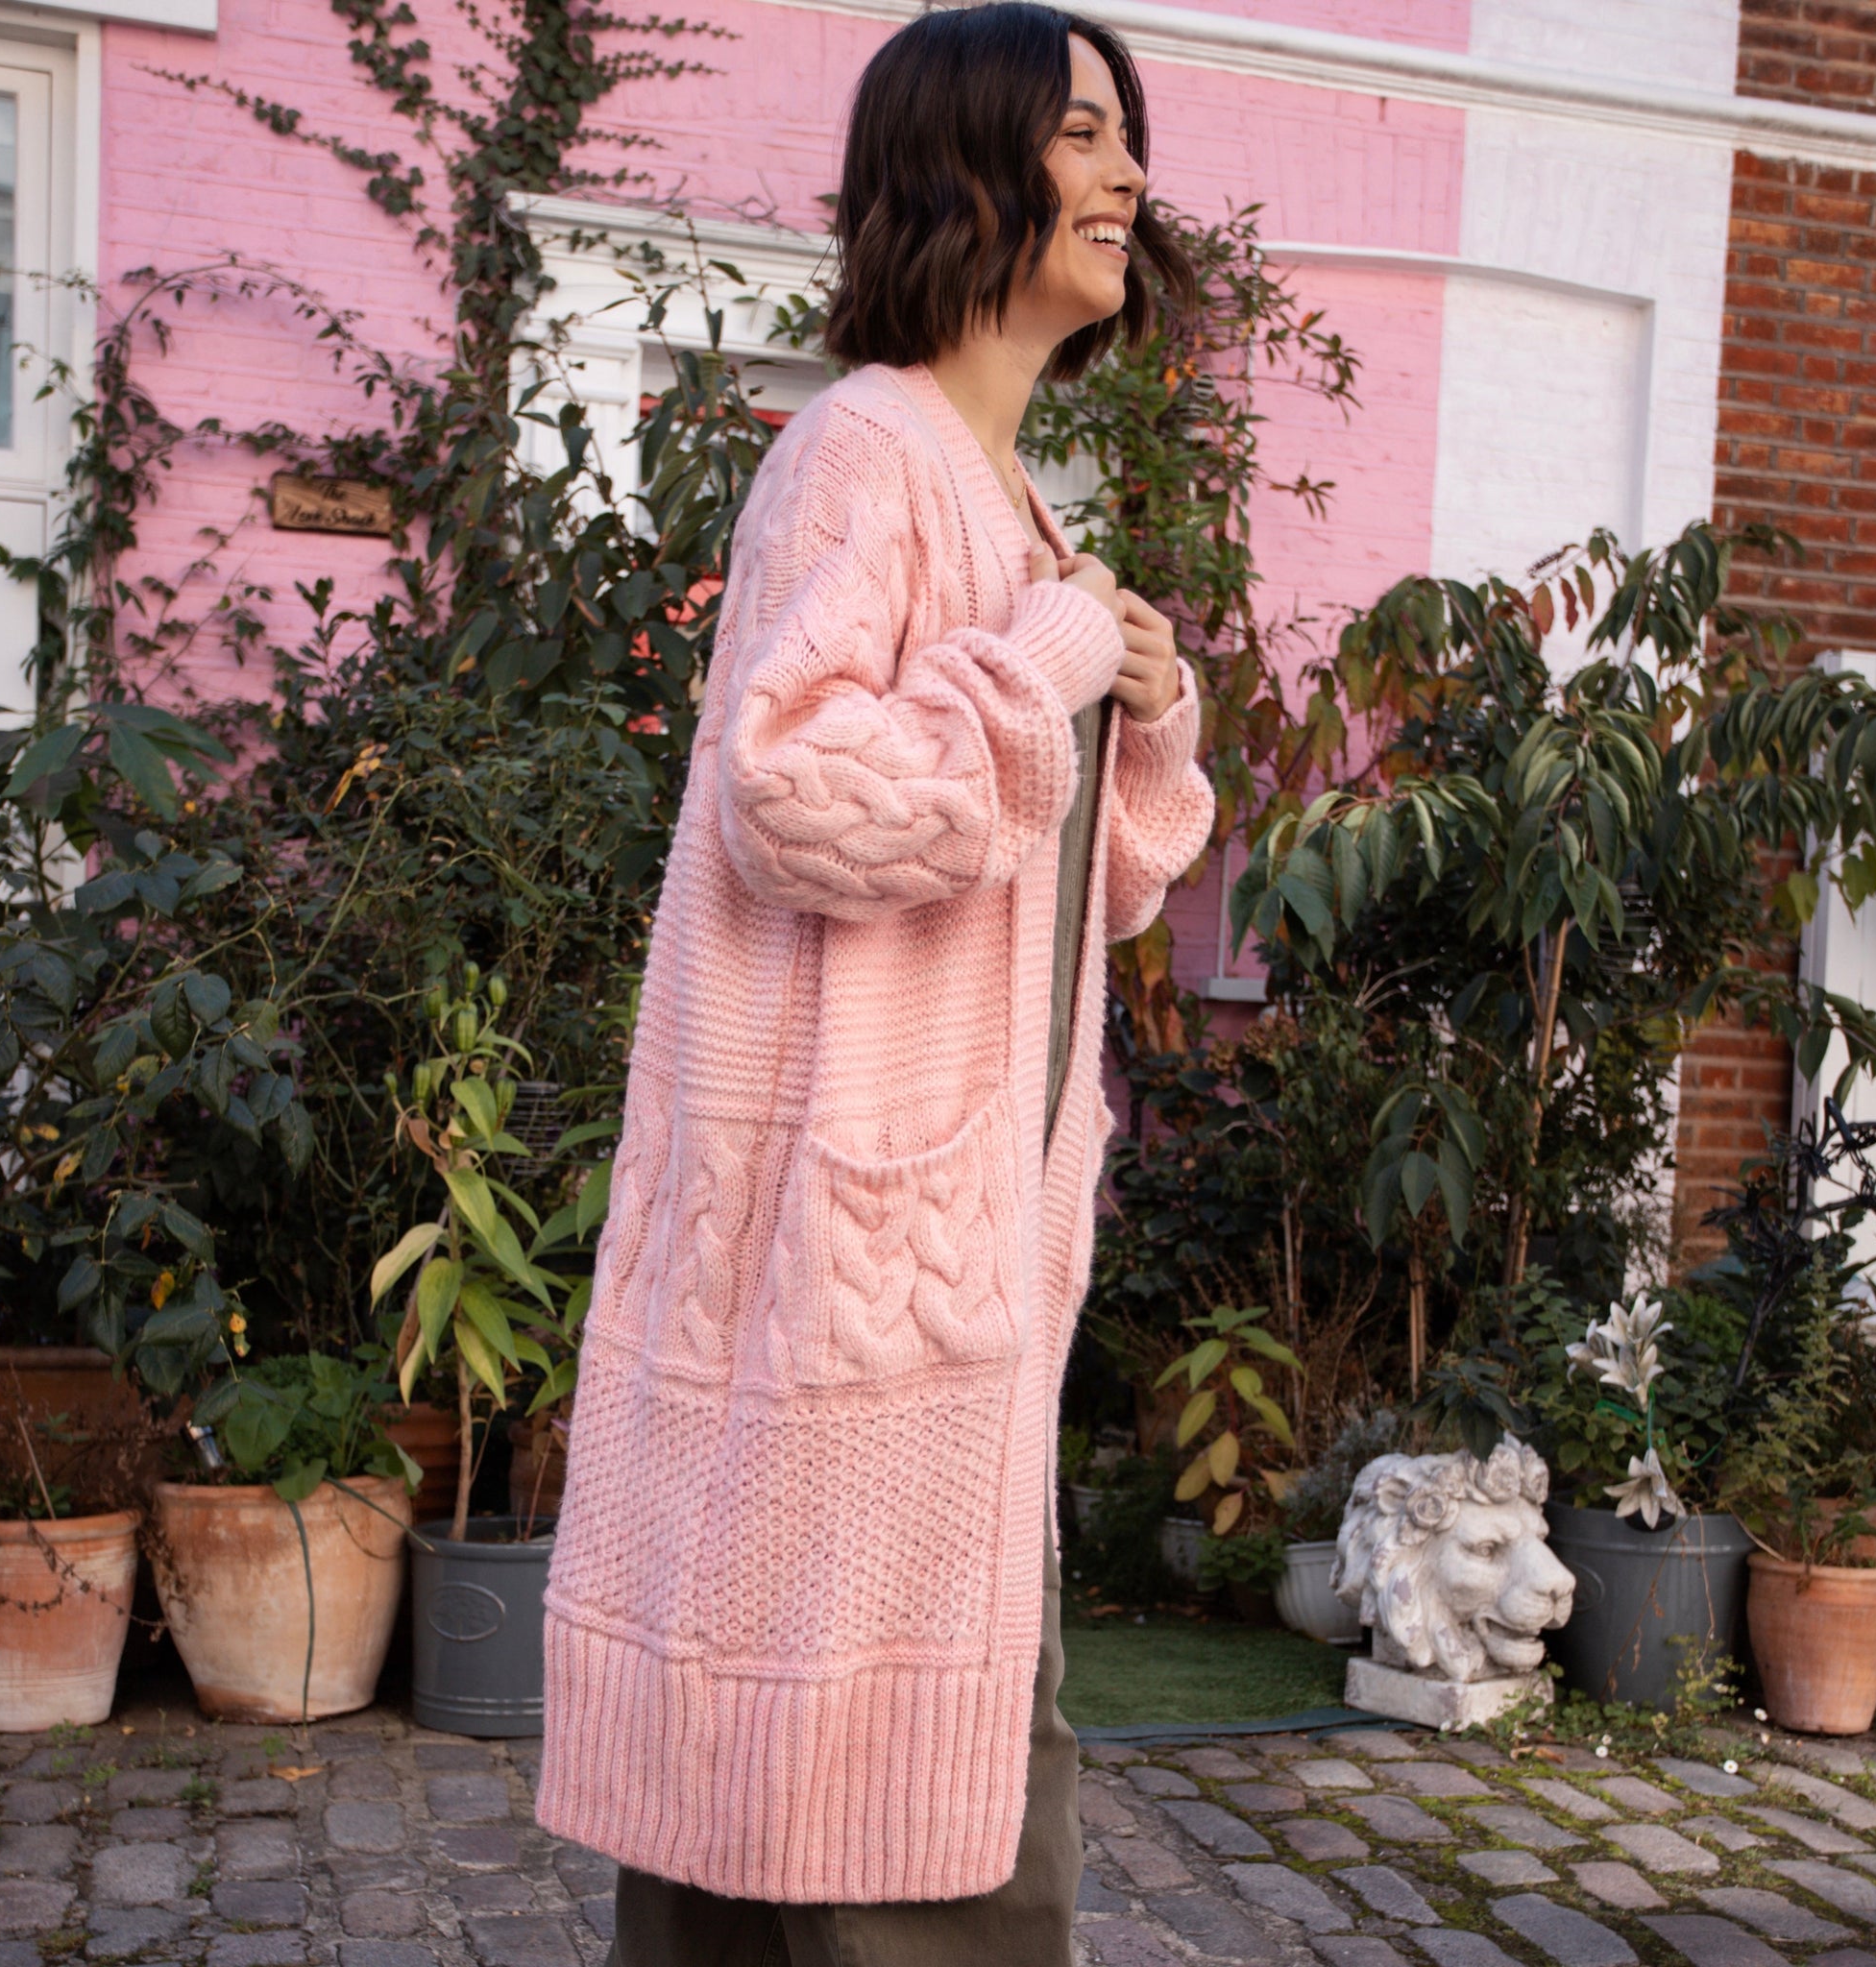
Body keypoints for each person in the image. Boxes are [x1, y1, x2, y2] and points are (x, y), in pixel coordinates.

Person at [534, 6, 1216, 1960]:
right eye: (1079, 134)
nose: (1127, 174)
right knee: (889, 1825)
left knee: (818, 1789)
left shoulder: (1009, 496)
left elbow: (1074, 889)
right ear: (963, 170)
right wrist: (1050, 664)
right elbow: (798, 795)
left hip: (942, 1272)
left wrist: (1144, 712)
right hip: (850, 1273)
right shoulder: (864, 453)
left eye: (1126, 135)